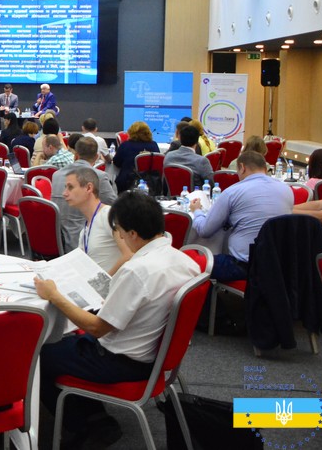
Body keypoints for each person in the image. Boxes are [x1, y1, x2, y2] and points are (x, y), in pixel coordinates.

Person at [35, 191, 200, 447]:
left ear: (132, 233)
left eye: (120, 232)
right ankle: (95, 416)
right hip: (153, 355)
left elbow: (96, 328)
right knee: (65, 344)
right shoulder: (185, 261)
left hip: (121, 361)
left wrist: (54, 296)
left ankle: (85, 427)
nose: (120, 238)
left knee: (38, 356)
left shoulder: (136, 270)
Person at [188, 151, 293, 281]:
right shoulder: (287, 190)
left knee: (191, 263)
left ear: (242, 167)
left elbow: (205, 231)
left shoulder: (233, 192)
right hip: (278, 264)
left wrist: (197, 211)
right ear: (265, 169)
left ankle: (206, 294)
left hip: (243, 266)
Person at [51, 137, 118, 251]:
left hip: (54, 236)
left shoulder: (56, 174)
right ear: (96, 157)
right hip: (82, 240)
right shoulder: (98, 176)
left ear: (75, 155)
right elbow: (114, 205)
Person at [63, 167, 129, 273]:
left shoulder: (108, 215)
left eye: (70, 187)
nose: (64, 193)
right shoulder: (85, 229)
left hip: (111, 282)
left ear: (89, 188)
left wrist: (104, 280)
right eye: (65, 187)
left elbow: (129, 254)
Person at [112, 121, 160, 193]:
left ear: (131, 133)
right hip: (151, 183)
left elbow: (116, 162)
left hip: (126, 183)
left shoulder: (125, 145)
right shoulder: (153, 145)